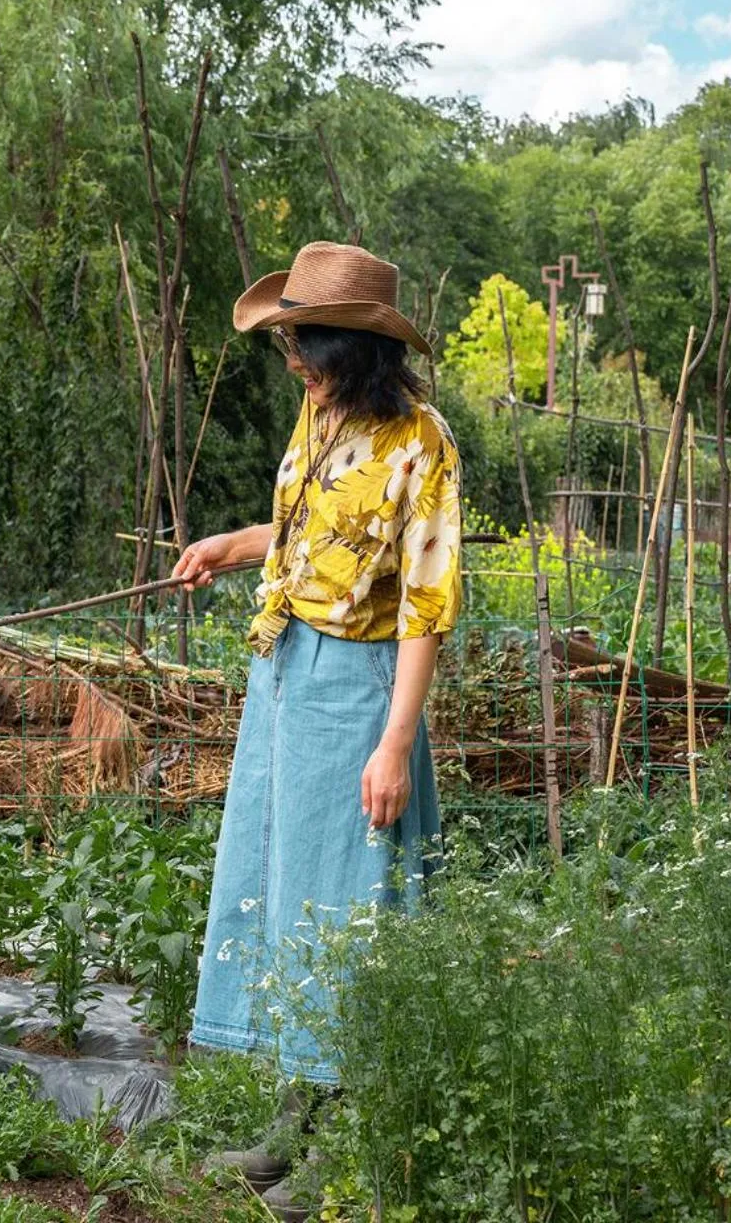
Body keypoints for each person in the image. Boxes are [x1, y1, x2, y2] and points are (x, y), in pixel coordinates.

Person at [170, 241, 461, 1220]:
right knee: (290, 898)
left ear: (357, 348)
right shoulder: (320, 409)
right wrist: (233, 543)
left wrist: (392, 743)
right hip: (285, 675)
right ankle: (289, 1134)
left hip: (360, 696)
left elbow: (425, 608)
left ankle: (343, 1158)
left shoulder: (420, 441)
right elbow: (301, 533)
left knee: (348, 917)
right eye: (290, 342)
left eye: (305, 343)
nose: (292, 360)